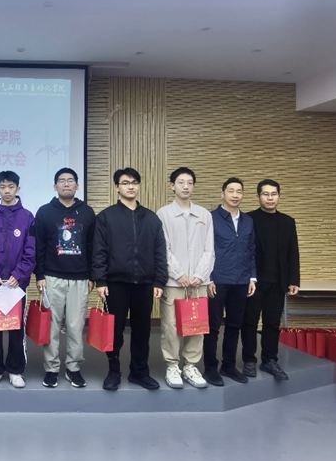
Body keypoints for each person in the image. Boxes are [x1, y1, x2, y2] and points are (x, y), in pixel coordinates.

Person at [93, 168, 167, 391]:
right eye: (125, 183)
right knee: (114, 331)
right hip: (116, 284)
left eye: (134, 182)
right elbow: (99, 251)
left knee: (142, 331)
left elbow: (160, 251)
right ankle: (113, 370)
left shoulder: (151, 218)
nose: (130, 186)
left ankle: (139, 372)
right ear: (117, 187)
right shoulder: (106, 217)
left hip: (144, 284)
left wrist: (159, 281)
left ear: (139, 186)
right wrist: (100, 280)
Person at [34, 167, 95, 388]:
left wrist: (92, 276)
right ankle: (51, 368)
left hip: (80, 278)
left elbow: (92, 246)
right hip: (52, 277)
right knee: (51, 327)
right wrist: (39, 275)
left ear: (77, 185)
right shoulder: (44, 212)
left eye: (70, 180)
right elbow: (39, 246)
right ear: (55, 186)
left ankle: (73, 368)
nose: (66, 184)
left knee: (75, 327)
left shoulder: (87, 212)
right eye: (62, 180)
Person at [0, 171, 36, 388]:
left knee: (16, 328)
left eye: (11, 186)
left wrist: (19, 275)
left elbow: (31, 250)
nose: (7, 191)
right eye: (3, 187)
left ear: (18, 189)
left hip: (16, 285)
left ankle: (15, 370)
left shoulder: (27, 216)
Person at [157, 167, 215, 389]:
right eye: (181, 182)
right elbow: (163, 249)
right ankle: (172, 365)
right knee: (171, 326)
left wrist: (200, 275)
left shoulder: (204, 215)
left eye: (190, 182)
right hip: (174, 282)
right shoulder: (163, 214)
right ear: (172, 186)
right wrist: (178, 273)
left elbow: (209, 250)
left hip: (199, 282)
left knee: (196, 325)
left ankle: (191, 365)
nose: (186, 186)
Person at [242, 179, 300, 381]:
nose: (270, 198)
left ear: (279, 196)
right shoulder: (248, 219)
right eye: (265, 194)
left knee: (272, 323)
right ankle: (249, 360)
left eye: (273, 194)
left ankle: (269, 360)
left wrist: (294, 280)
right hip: (253, 282)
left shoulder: (287, 222)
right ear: (258, 196)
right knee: (249, 322)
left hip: (278, 282)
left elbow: (293, 252)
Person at [204, 177, 256, 386]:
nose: (235, 195)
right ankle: (210, 368)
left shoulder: (248, 221)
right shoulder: (211, 218)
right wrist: (208, 278)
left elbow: (251, 250)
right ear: (222, 194)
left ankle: (228, 365)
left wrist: (252, 277)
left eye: (239, 191)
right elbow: (204, 250)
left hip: (241, 281)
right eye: (231, 191)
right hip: (217, 280)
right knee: (213, 326)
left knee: (235, 325)